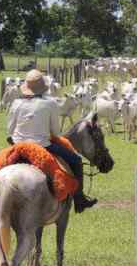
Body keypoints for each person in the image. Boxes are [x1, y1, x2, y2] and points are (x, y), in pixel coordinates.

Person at [6, 69, 98, 213]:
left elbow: (10, 130)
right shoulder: (50, 104)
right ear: (42, 87)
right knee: (76, 161)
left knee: (0, 165)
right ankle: (80, 200)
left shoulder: (16, 103)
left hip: (18, 145)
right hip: (42, 145)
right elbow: (55, 132)